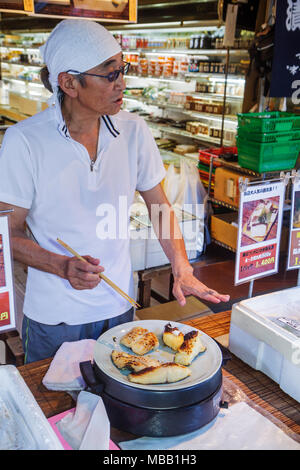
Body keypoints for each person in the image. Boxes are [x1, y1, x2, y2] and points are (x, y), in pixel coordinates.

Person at [0, 20, 229, 363]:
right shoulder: (25, 141)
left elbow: (160, 209)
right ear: (69, 83)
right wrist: (61, 265)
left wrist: (181, 267)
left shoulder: (134, 132)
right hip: (54, 316)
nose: (122, 83)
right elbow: (7, 231)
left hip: (119, 309)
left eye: (123, 69)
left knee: (119, 406)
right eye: (110, 75)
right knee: (55, 411)